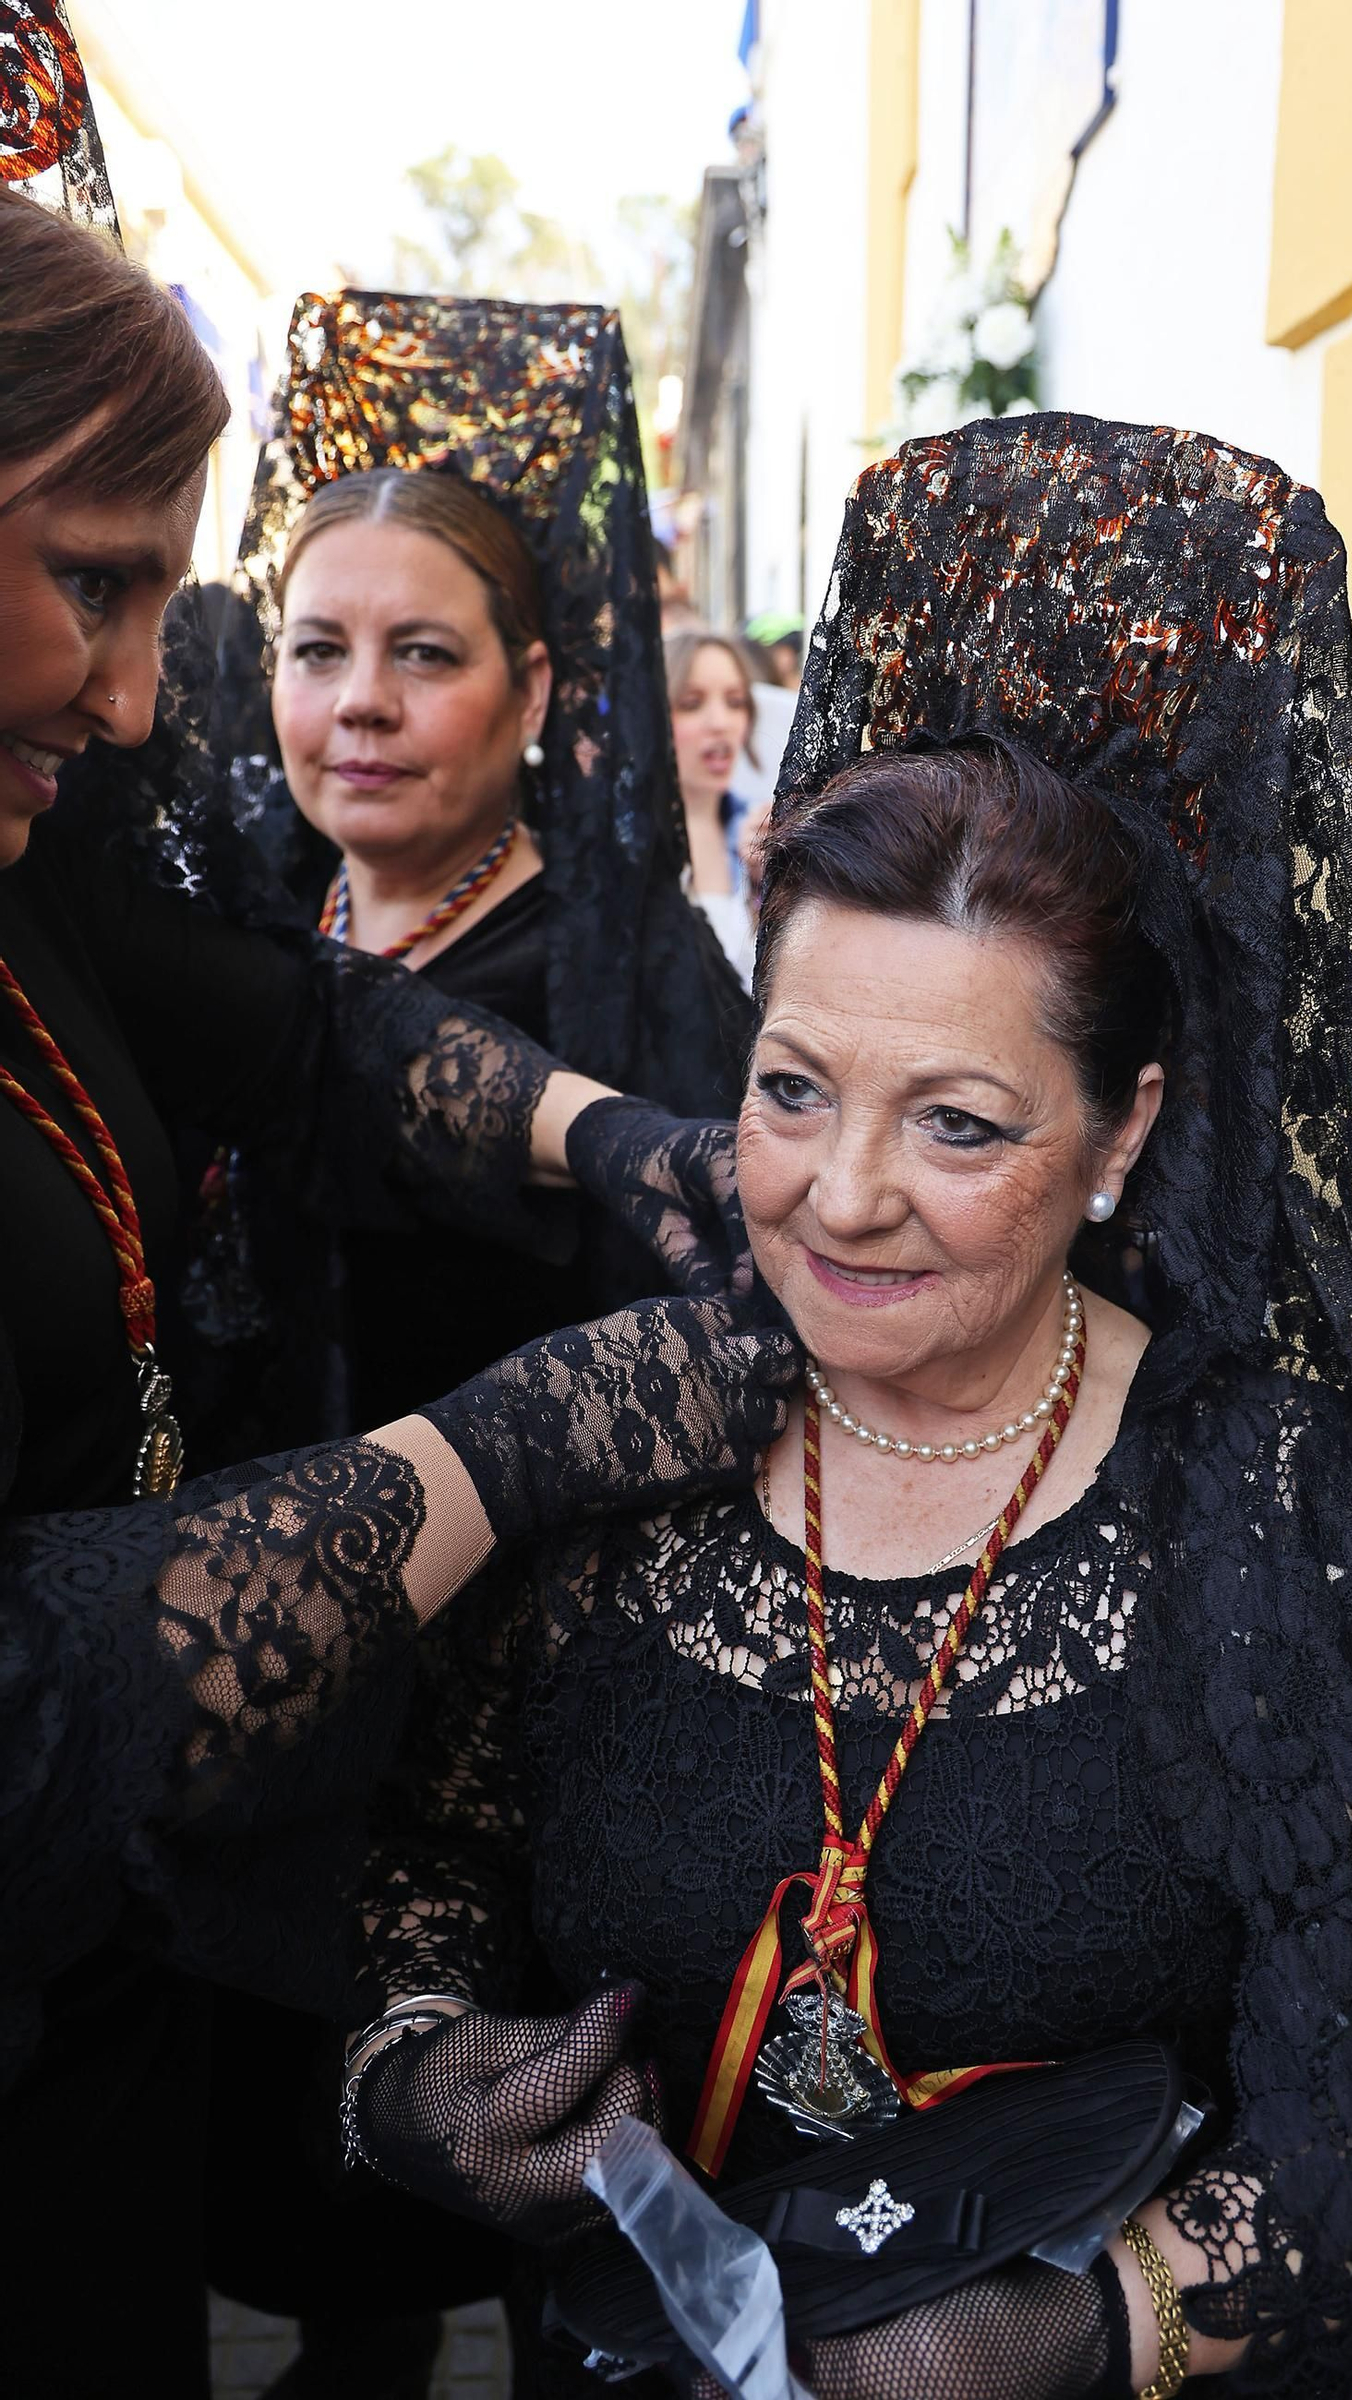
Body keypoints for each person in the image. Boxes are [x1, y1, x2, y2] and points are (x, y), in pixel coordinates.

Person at [344, 415, 1352, 2400]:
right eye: (787, 1087)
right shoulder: (630, 1434)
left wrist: (1114, 2315)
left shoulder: (1269, 1510)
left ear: (1120, 1139)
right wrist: (422, 2064)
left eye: (956, 1123)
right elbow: (436, 1842)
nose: (837, 1196)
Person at [0, 56, 791, 2399]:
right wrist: (518, 1435)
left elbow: (300, 1032)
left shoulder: (43, 877)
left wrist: (614, 1140)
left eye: (171, 603)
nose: (160, 702)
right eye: (93, 587)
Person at [206, 294, 750, 1445]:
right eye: (317, 650)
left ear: (534, 688)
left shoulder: (626, 973)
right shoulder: (233, 919)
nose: (360, 699)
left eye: (424, 653)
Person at [665, 626, 761, 987]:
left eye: (735, 702)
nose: (720, 723)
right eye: (692, 704)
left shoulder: (762, 828)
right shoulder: (621, 840)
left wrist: (766, 884)